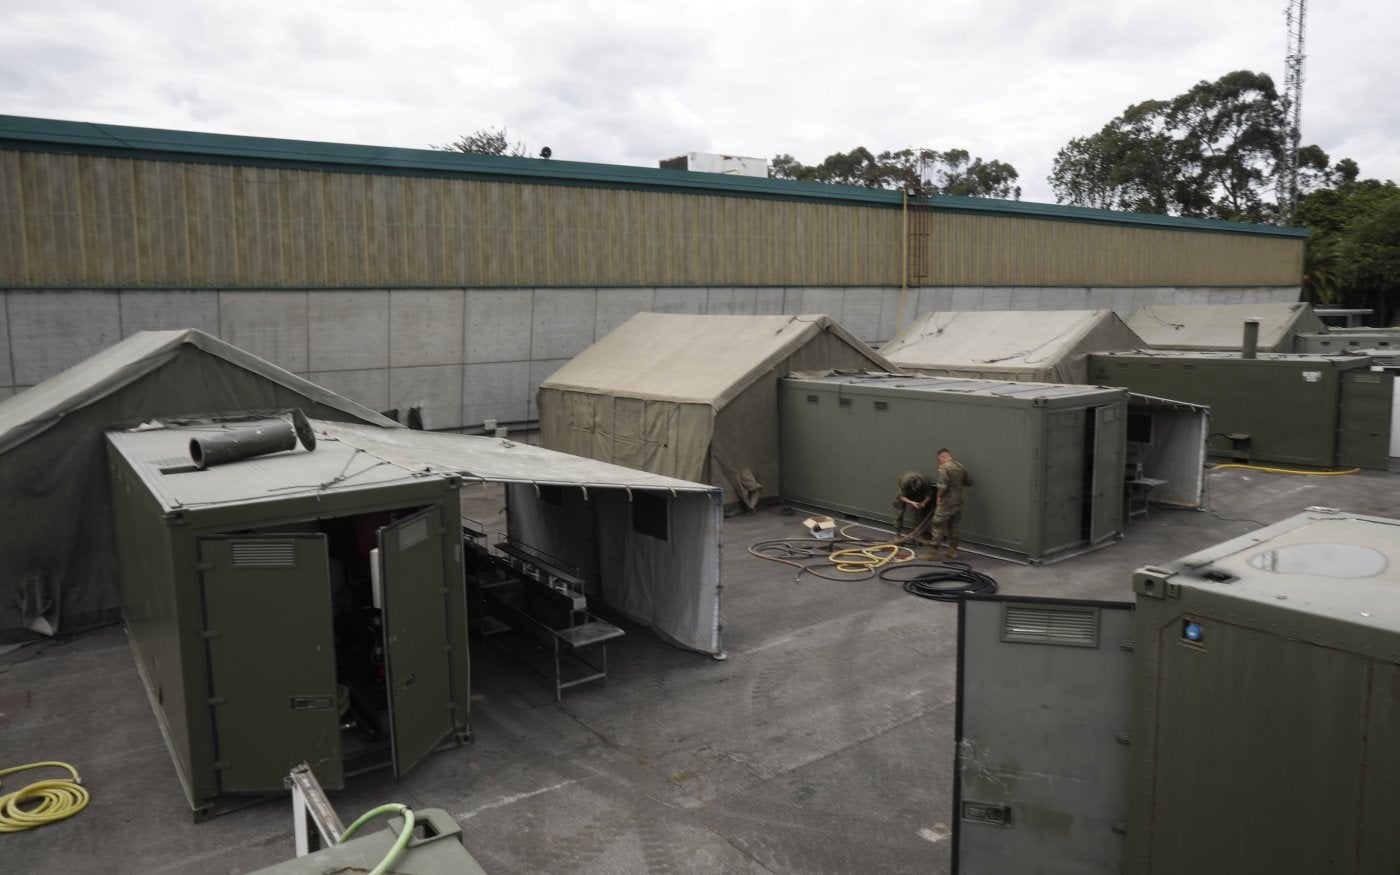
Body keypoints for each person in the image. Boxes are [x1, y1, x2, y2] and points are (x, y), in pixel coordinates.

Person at [927, 448, 973, 559]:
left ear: (943, 457)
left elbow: (942, 486)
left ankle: (932, 553)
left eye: (940, 460)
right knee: (954, 526)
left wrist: (938, 497)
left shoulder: (944, 467)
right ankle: (953, 551)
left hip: (946, 502)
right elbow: (969, 482)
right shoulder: (961, 466)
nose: (940, 462)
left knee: (937, 524)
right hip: (958, 502)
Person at [892, 470, 933, 539]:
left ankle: (918, 534)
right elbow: (901, 497)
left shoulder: (925, 483)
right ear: (911, 484)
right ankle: (897, 534)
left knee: (919, 514)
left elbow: (929, 495)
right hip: (904, 493)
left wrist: (923, 503)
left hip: (918, 494)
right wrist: (912, 502)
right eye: (914, 488)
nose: (914, 490)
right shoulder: (905, 482)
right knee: (899, 513)